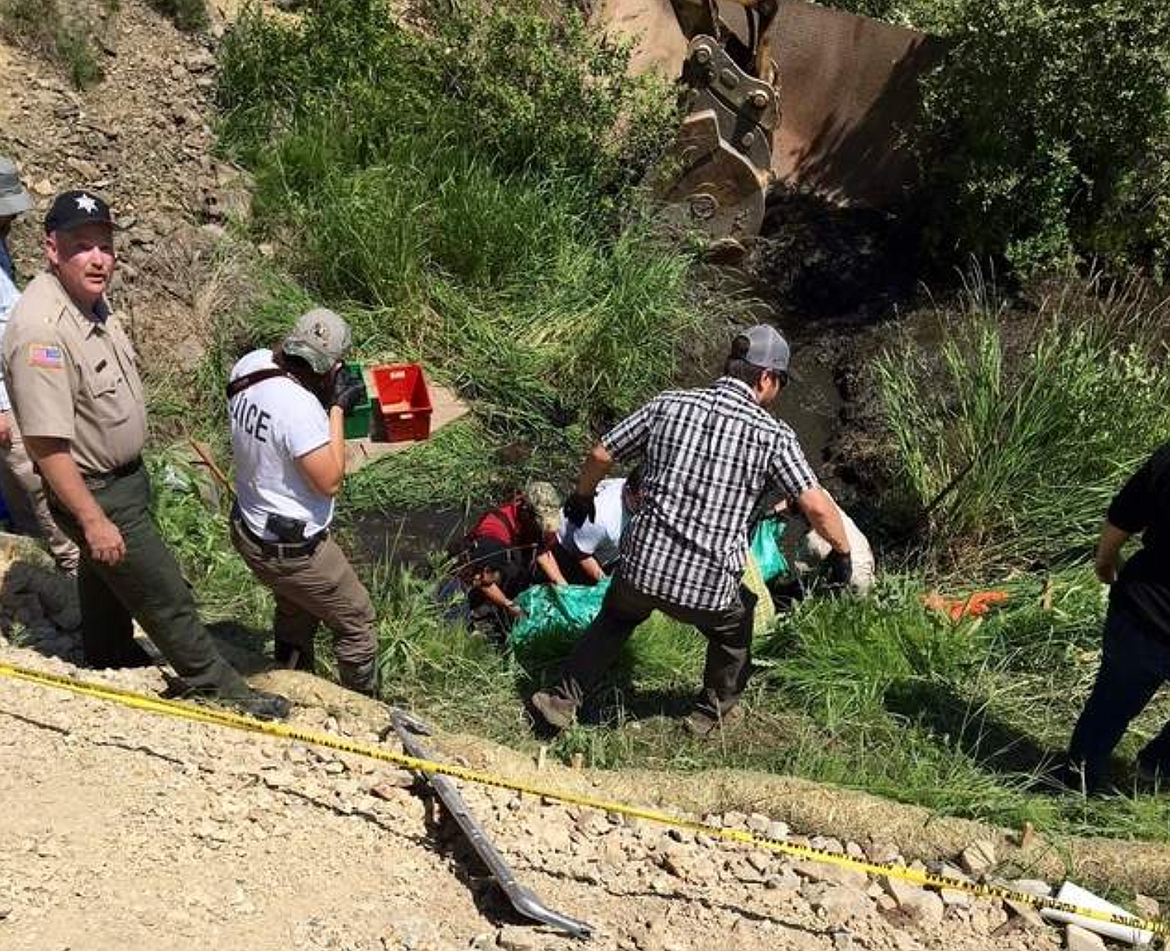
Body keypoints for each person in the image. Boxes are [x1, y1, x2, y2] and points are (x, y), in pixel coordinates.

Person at [1, 189, 289, 719]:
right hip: (97, 489)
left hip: (122, 478)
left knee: (105, 580)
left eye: (105, 246)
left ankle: (108, 656)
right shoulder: (41, 329)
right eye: (82, 246)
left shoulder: (90, 302)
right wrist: (92, 519)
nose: (98, 258)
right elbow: (45, 444)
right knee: (164, 592)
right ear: (52, 248)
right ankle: (215, 686)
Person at [530, 325, 853, 736]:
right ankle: (710, 713)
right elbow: (816, 506)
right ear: (767, 378)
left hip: (641, 570)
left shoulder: (670, 404)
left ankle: (561, 702)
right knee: (737, 627)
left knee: (614, 617)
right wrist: (841, 553)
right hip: (708, 589)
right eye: (782, 382)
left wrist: (582, 495)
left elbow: (600, 453)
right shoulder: (774, 436)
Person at [226, 308, 378, 695]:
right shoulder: (300, 409)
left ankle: (291, 676)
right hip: (291, 549)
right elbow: (329, 480)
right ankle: (364, 710)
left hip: (249, 524)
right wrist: (338, 407)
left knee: (297, 607)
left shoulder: (251, 364)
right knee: (357, 619)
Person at [1064, 443, 1170, 793]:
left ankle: (1077, 782)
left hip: (1142, 612)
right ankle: (1157, 766)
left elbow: (1122, 517)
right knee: (1110, 704)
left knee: (1109, 706)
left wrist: (1105, 562)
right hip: (1147, 611)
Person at [0, 157, 79, 572]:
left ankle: (32, 554)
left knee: (18, 477)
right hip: (3, 398)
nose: (11, 220)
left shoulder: (0, 243)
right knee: (34, 475)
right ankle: (68, 562)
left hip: (16, 382)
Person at [447, 482, 561, 636]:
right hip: (469, 576)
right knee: (455, 627)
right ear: (525, 511)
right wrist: (508, 605)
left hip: (501, 570)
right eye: (539, 524)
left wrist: (563, 586)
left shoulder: (535, 525)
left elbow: (543, 551)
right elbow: (481, 579)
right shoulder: (494, 529)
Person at [535, 469, 643, 586]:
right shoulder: (603, 519)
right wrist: (604, 583)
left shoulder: (630, 486)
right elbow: (582, 554)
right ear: (627, 490)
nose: (646, 507)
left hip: (603, 550)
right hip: (569, 553)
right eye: (639, 502)